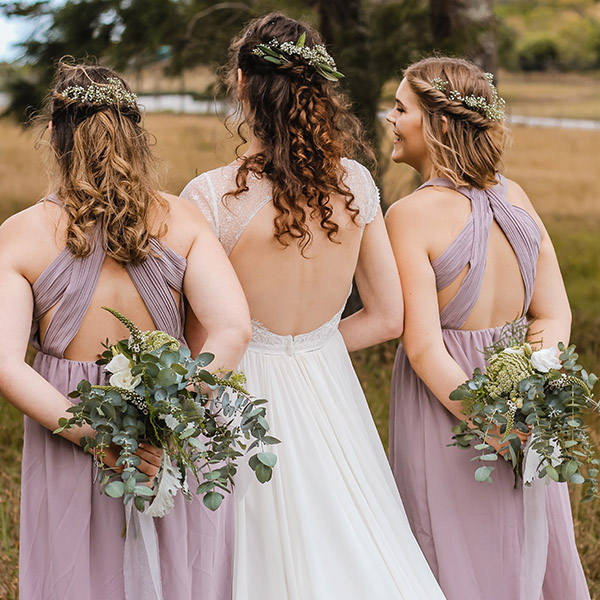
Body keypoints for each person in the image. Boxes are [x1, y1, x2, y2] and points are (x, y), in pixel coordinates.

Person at [181, 12, 447, 600]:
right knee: (351, 536)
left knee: (243, 546)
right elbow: (388, 316)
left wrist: (266, 353)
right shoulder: (355, 184)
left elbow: (197, 335)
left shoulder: (210, 197)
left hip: (236, 391)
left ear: (243, 84)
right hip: (329, 385)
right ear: (317, 88)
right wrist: (310, 348)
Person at [0, 62, 251, 600]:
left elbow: (5, 365)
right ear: (136, 133)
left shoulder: (19, 235)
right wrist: (165, 422)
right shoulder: (183, 220)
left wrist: (98, 438)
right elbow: (233, 329)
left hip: (68, 425)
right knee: (181, 570)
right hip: (171, 431)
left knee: (78, 572)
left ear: (54, 134)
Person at [385, 56, 590, 600]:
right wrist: (531, 394)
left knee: (447, 547)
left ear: (438, 123)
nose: (390, 119)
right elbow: (553, 314)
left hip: (446, 408)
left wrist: (492, 423)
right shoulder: (516, 196)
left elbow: (425, 348)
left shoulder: (408, 215)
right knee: (524, 543)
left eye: (401, 109)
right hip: (525, 404)